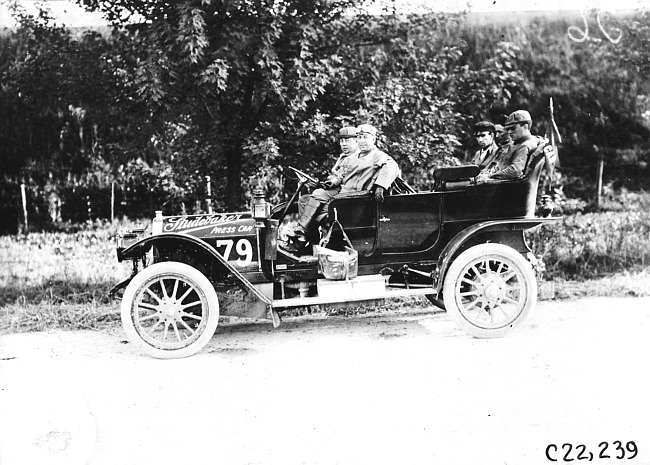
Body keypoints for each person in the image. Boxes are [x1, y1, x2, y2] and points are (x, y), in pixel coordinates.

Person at [281, 123, 399, 253]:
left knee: (318, 208)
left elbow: (392, 166)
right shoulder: (352, 158)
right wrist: (331, 182)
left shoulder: (377, 155)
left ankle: (305, 239)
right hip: (342, 194)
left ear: (373, 139)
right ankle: (303, 232)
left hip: (356, 199)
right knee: (315, 195)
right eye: (359, 138)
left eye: (365, 137)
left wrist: (380, 186)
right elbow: (341, 175)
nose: (362, 141)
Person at [479, 110, 538, 181]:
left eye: (513, 128)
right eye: (508, 129)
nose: (509, 132)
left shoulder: (525, 146)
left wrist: (490, 176)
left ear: (525, 126)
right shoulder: (519, 143)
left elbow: (515, 171)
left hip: (504, 186)